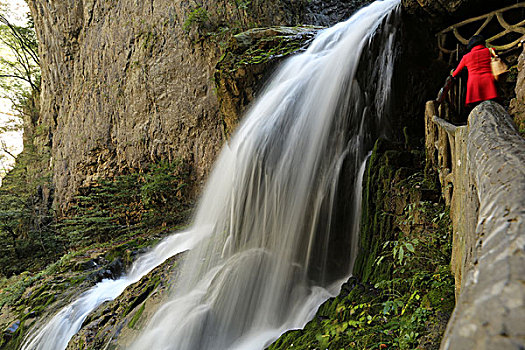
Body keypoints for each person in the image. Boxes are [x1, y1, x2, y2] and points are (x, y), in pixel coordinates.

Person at [452, 34, 498, 106]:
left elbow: (455, 73)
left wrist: (452, 74)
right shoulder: (489, 51)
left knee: (475, 108)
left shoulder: (466, 57)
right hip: (488, 81)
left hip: (473, 84)